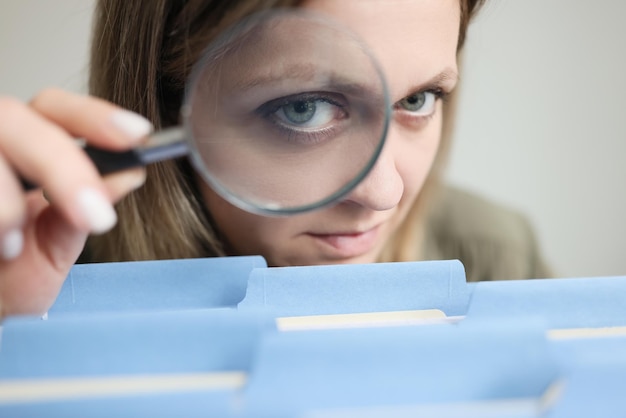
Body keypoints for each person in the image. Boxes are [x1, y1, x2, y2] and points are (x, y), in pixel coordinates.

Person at [0, 0, 550, 319]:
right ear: (166, 104)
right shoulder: (38, 275)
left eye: (417, 100)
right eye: (304, 108)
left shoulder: (497, 262)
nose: (382, 194)